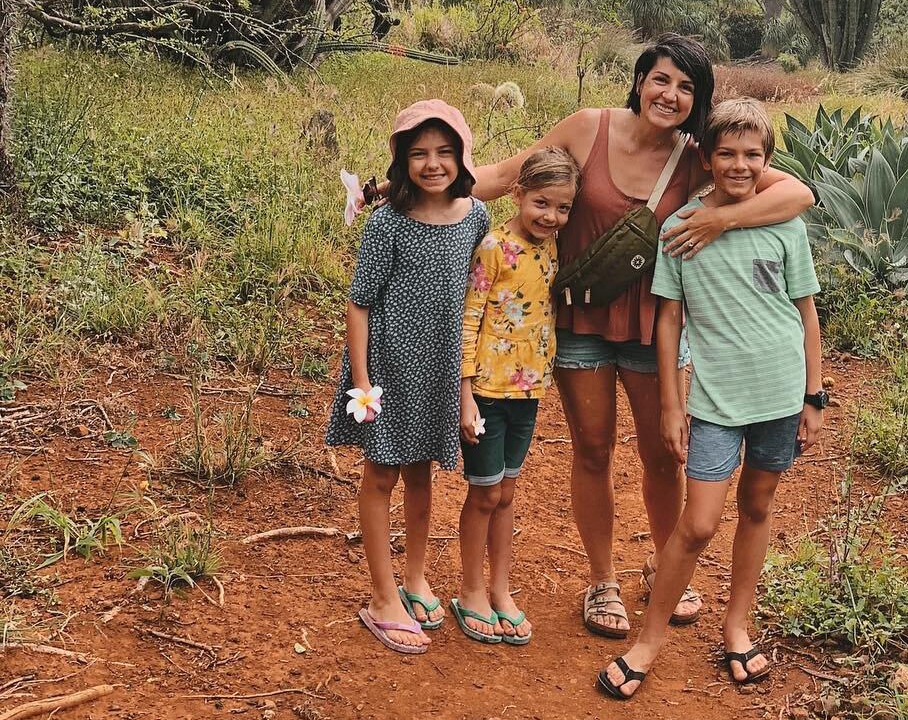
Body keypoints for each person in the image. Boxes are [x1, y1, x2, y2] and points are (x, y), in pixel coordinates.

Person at [467, 35, 814, 640]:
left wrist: (720, 217)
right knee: (593, 448)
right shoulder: (585, 129)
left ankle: (663, 564)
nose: (670, 95)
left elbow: (795, 192)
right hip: (581, 322)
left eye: (686, 87)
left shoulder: (697, 155)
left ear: (697, 102)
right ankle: (602, 580)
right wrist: (414, 186)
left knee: (664, 450)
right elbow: (504, 175)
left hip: (657, 325)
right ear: (638, 80)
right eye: (661, 80)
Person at [596, 98, 825, 701]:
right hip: (717, 401)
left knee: (757, 504)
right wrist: (671, 403)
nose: (740, 165)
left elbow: (805, 310)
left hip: (780, 391)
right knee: (696, 524)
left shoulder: (784, 225)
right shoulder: (681, 228)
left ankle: (737, 625)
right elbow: (668, 321)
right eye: (727, 153)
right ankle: (648, 640)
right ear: (706, 156)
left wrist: (813, 394)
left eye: (753, 155)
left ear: (767, 161)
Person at [326, 101, 489, 655]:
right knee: (380, 476)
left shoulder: (477, 217)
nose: (433, 163)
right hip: (385, 374)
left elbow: (478, 293)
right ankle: (381, 593)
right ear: (401, 162)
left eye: (445, 152)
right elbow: (360, 305)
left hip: (441, 371)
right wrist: (362, 384)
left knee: (423, 476)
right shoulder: (387, 222)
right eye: (418, 153)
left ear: (463, 157)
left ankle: (414, 577)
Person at [451, 146, 581, 646]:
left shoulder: (551, 248)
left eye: (563, 208)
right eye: (542, 204)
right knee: (484, 492)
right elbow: (468, 319)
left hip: (528, 391)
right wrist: (463, 395)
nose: (551, 216)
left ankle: (501, 590)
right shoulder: (493, 247)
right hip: (485, 390)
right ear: (519, 194)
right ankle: (471, 590)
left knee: (506, 492)